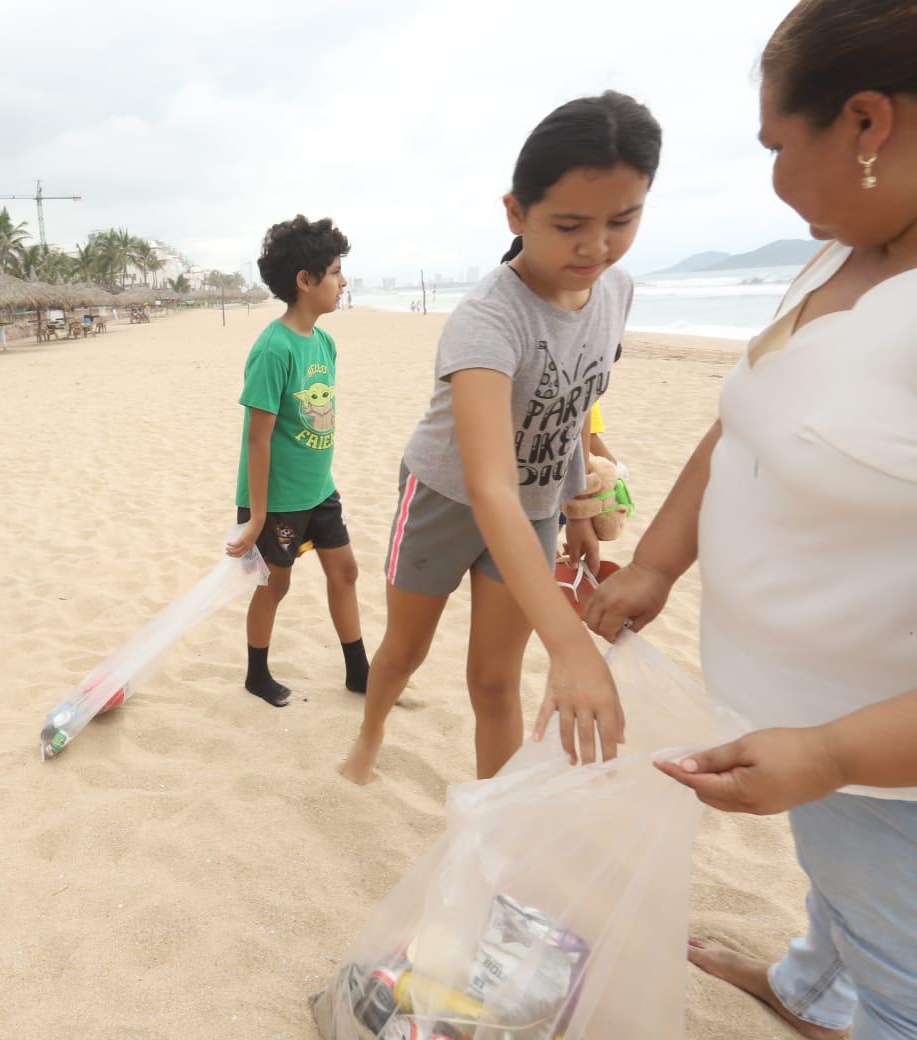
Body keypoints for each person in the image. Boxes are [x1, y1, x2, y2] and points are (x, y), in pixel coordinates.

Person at [585, 3, 916, 1034]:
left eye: (777, 145)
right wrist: (656, 564)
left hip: (880, 762)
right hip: (805, 732)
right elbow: (742, 424)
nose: (774, 177)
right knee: (840, 890)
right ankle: (811, 984)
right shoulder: (839, 256)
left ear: (866, 124)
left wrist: (829, 754)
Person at [339, 91, 660, 785]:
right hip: (448, 497)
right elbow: (488, 485)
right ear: (516, 212)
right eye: (570, 224)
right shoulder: (487, 319)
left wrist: (577, 508)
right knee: (404, 651)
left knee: (494, 681)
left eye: (622, 221)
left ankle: (494, 829)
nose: (596, 247)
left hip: (539, 505)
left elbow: (570, 405)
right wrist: (569, 643)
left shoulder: (616, 291)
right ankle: (370, 732)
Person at [225, 216, 366, 707]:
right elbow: (257, 440)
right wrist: (258, 516)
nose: (343, 282)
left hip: (318, 489)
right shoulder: (273, 348)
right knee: (275, 584)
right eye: (334, 272)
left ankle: (359, 671)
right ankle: (256, 674)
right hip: (277, 499)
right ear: (305, 281)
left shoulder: (324, 342)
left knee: (345, 571)